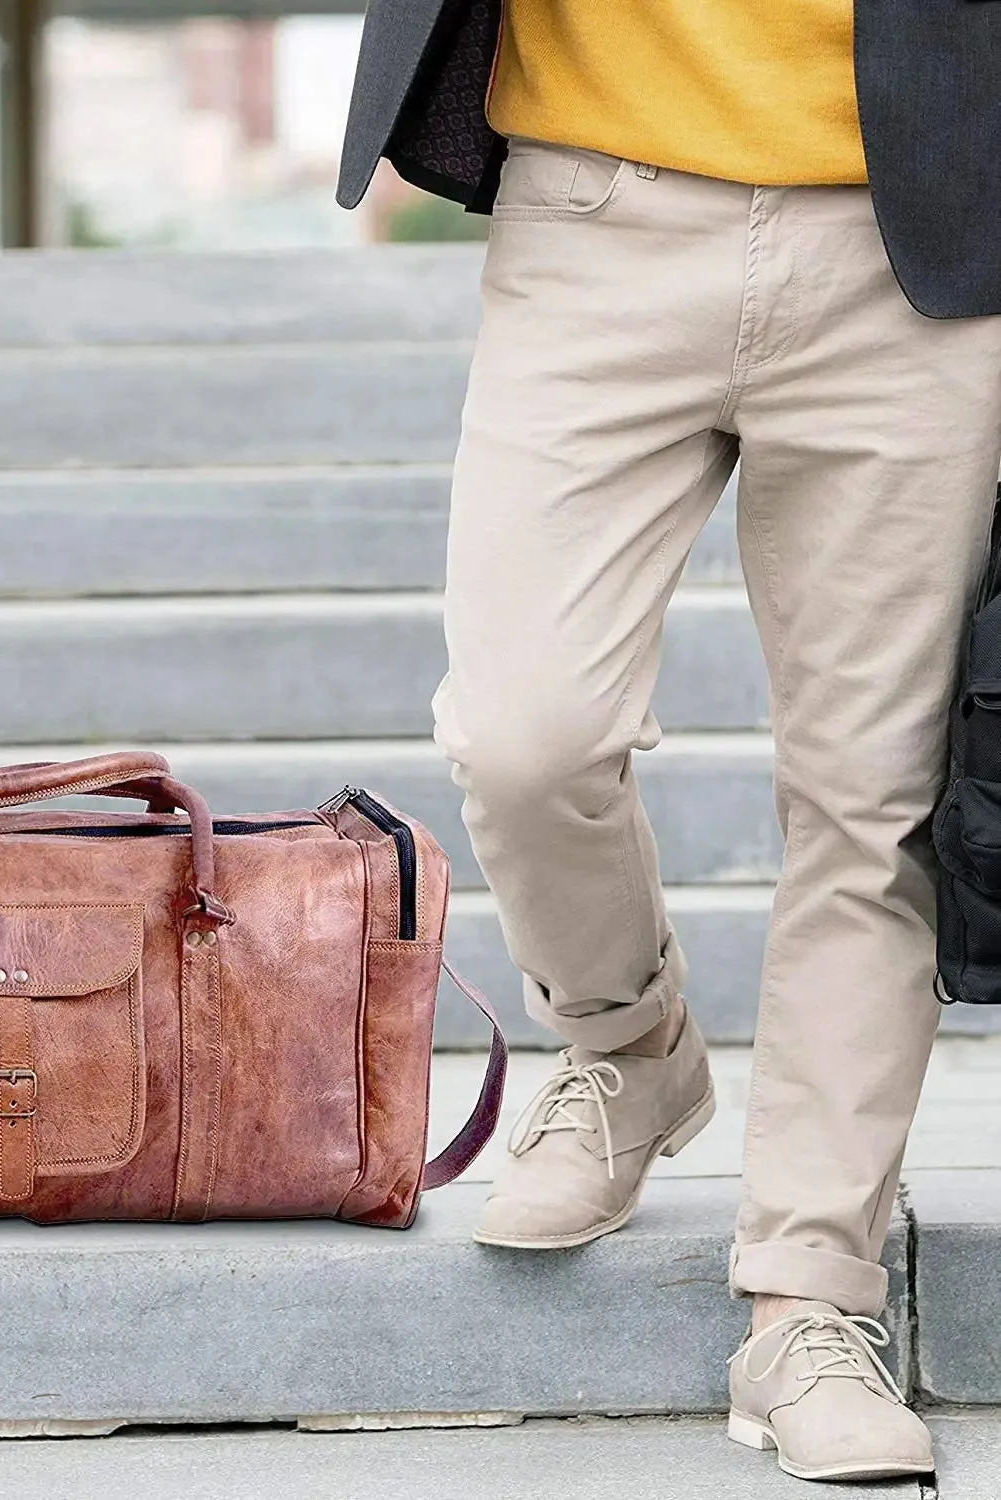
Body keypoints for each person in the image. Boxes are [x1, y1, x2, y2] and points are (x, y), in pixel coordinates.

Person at [340, 0, 1001, 1484]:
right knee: (525, 730)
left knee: (870, 795)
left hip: (919, 241)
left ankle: (807, 1301)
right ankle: (629, 1051)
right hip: (596, 208)